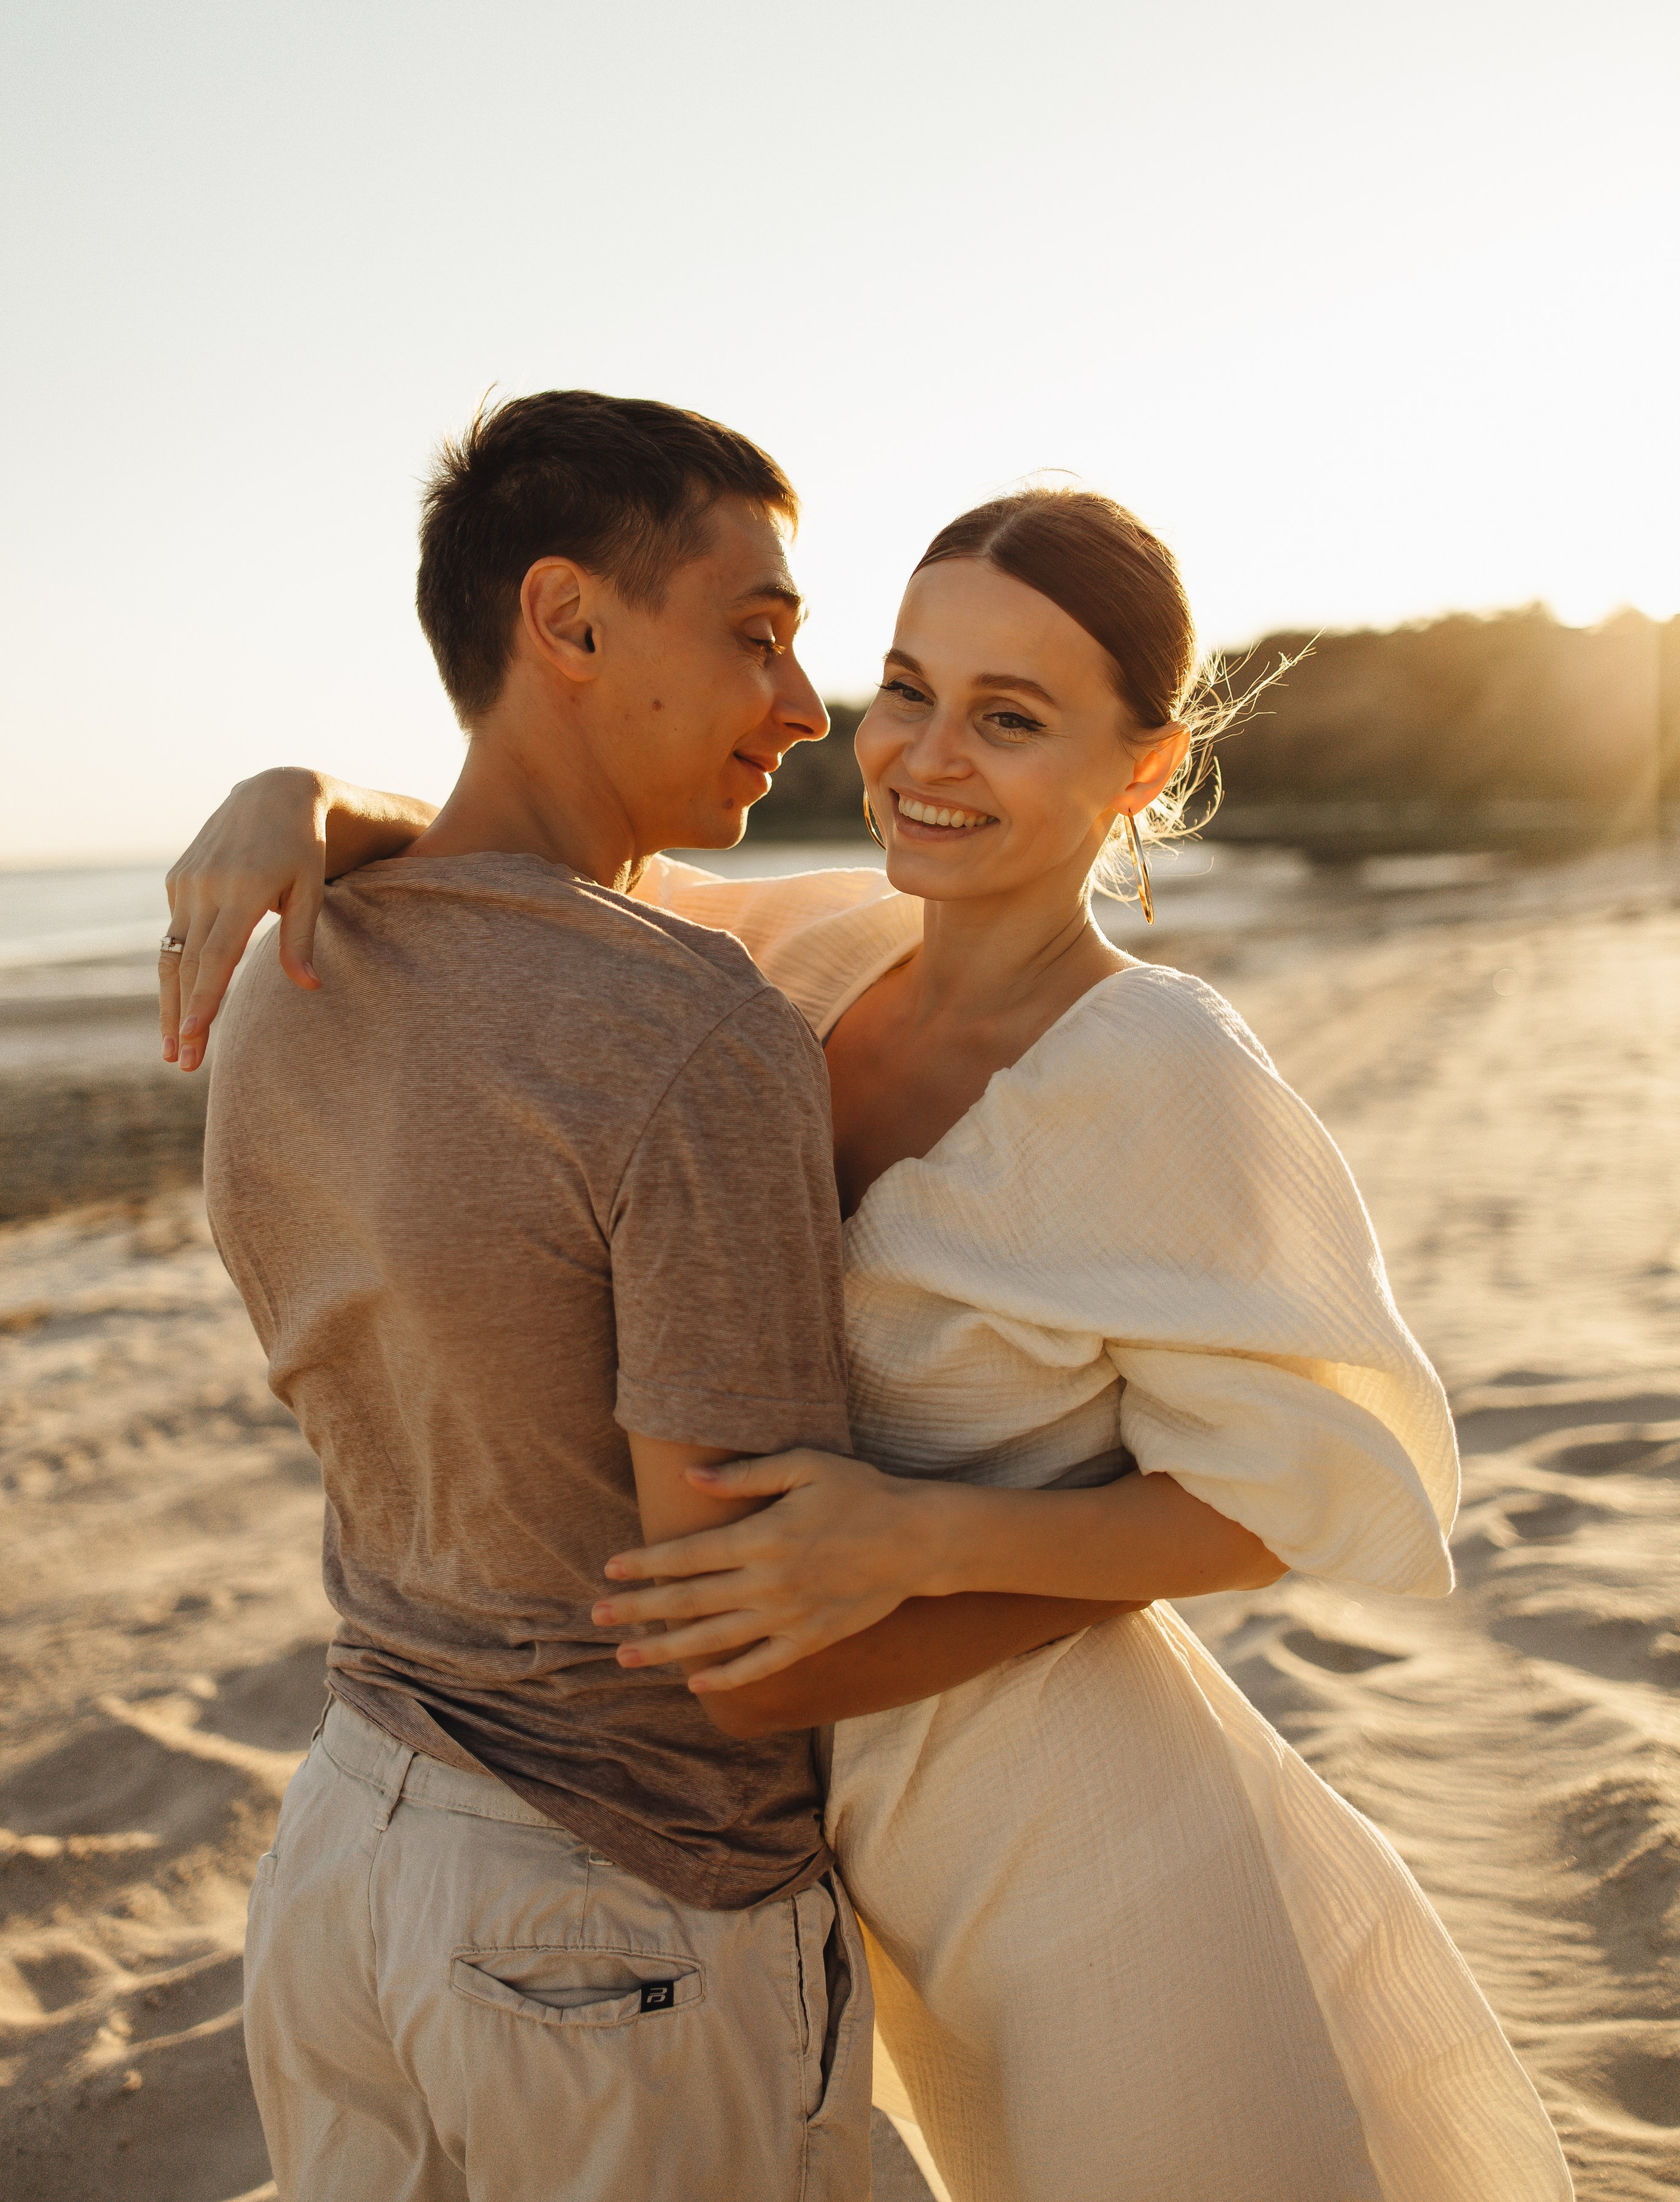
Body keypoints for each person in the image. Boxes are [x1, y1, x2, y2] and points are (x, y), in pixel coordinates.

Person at [167, 422, 1573, 2201]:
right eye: (908, 684)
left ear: (1142, 772)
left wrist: (922, 1530)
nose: (906, 748)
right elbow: (519, 880)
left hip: (1055, 1820)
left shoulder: (1160, 1068)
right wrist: (293, 799)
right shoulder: (804, 952)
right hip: (797, 1817)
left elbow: (1296, 1491)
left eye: (1011, 715)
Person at [190, 393, 1150, 2202]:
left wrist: (303, 797)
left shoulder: (281, 970)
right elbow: (751, 1655)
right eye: (758, 634)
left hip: (343, 1860)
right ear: (565, 622)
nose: (805, 710)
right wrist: (1114, 1568)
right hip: (615, 1922)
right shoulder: (687, 1032)